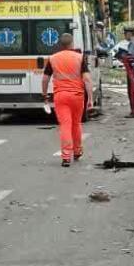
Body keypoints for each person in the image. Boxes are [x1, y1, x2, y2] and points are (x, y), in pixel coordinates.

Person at [41, 31, 93, 166]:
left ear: (61, 44)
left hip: (61, 96)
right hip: (77, 96)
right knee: (76, 124)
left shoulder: (53, 58)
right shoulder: (80, 58)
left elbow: (45, 78)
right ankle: (77, 151)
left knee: (65, 125)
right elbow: (87, 79)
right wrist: (90, 99)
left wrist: (45, 95)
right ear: (72, 44)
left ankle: (65, 157)